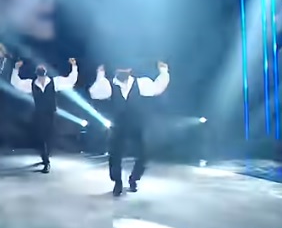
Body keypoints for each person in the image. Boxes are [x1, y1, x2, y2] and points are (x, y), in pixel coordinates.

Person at [89, 62, 170, 196]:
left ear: (130, 70)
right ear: (116, 70)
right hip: (118, 125)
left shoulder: (140, 83)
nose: (122, 71)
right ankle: (118, 182)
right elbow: (94, 93)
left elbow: (157, 88)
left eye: (125, 68)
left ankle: (134, 179)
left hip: (136, 124)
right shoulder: (109, 85)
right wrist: (100, 75)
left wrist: (163, 72)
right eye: (120, 69)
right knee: (115, 156)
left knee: (143, 155)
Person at [10, 58, 78, 173]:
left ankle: (46, 155)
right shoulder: (31, 84)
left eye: (43, 67)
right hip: (39, 114)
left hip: (51, 113)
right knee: (41, 137)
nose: (41, 68)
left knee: (49, 136)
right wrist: (16, 69)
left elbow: (70, 81)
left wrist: (74, 66)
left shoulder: (54, 82)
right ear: (36, 71)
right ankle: (46, 161)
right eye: (39, 67)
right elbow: (16, 83)